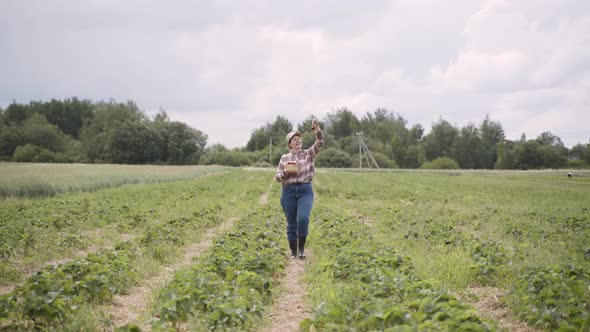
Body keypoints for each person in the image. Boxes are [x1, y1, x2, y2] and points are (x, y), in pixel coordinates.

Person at [275, 118, 324, 259]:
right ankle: (293, 252)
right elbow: (277, 177)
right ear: (289, 144)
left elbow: (320, 143)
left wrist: (317, 128)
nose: (297, 140)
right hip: (288, 191)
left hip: (305, 190)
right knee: (291, 223)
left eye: (298, 138)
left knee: (303, 219)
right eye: (294, 139)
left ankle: (301, 248)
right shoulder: (284, 158)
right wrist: (285, 173)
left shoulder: (308, 154)